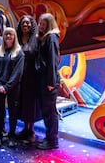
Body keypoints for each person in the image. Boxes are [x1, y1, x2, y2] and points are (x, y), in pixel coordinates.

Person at [0, 27, 24, 148]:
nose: (8, 37)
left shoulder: (19, 53)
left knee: (13, 113)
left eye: (11, 34)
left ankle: (11, 136)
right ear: (3, 37)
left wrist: (7, 86)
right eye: (6, 35)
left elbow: (17, 73)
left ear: (14, 37)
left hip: (13, 88)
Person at [35, 13, 61, 150]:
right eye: (39, 23)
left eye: (43, 24)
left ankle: (52, 140)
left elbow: (52, 61)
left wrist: (50, 82)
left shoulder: (51, 38)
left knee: (50, 112)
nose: (40, 26)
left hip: (48, 80)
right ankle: (50, 138)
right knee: (47, 111)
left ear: (49, 24)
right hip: (44, 79)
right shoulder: (44, 37)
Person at [15, 15, 41, 143]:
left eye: (28, 23)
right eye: (23, 23)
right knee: (22, 104)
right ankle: (25, 129)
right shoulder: (17, 39)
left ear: (32, 25)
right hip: (20, 78)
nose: (25, 25)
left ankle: (31, 131)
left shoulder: (37, 40)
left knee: (31, 105)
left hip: (32, 78)